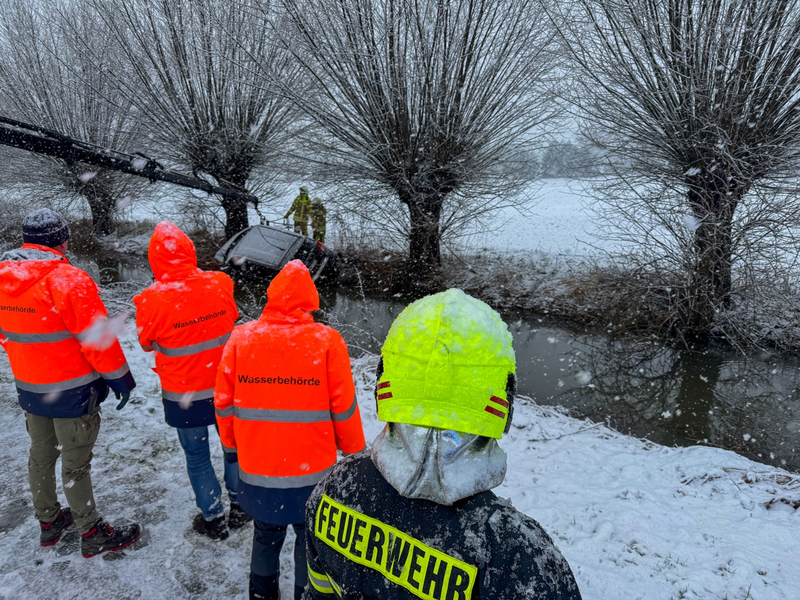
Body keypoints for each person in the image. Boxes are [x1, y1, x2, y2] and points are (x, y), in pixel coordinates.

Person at [303, 289, 583, 599]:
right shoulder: (519, 558)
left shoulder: (335, 490)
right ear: (503, 398)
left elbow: (318, 592)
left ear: (386, 381)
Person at [215, 259, 366, 600]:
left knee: (265, 533)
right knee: (309, 537)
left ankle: (261, 593)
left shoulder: (241, 338)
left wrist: (231, 448)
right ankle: (304, 593)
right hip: (312, 473)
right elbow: (343, 407)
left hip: (258, 467)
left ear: (271, 296)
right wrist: (355, 455)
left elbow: (223, 402)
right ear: (311, 300)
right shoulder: (327, 341)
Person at [0, 208, 141, 558]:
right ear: (62, 240)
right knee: (75, 464)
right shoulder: (68, 280)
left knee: (41, 455)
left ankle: (49, 522)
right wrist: (121, 379)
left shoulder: (3, 277)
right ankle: (91, 531)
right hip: (73, 391)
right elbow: (97, 340)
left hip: (31, 388)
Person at [133, 221, 249, 540]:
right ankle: (241, 507)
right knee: (233, 450)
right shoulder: (220, 283)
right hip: (227, 387)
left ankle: (213, 518)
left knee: (196, 455)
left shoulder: (149, 300)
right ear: (190, 252)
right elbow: (232, 318)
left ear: (154, 259)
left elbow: (146, 342)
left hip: (184, 394)